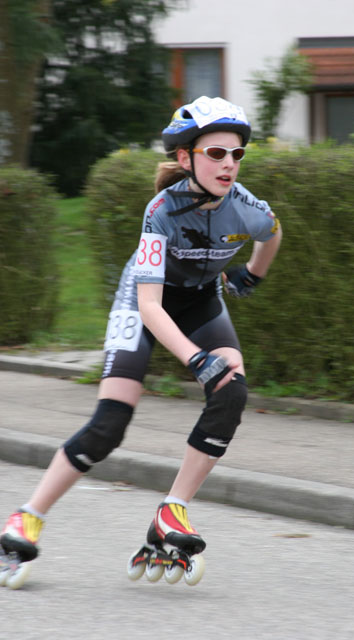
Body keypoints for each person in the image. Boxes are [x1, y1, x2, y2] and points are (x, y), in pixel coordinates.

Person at [0, 96, 282, 579]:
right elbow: (150, 306)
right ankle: (26, 518)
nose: (229, 164)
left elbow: (272, 233)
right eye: (216, 153)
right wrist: (196, 359)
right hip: (143, 299)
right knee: (110, 424)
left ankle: (171, 511)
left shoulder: (245, 205)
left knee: (231, 391)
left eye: (236, 154)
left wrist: (252, 274)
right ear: (185, 157)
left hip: (200, 300)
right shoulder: (161, 211)